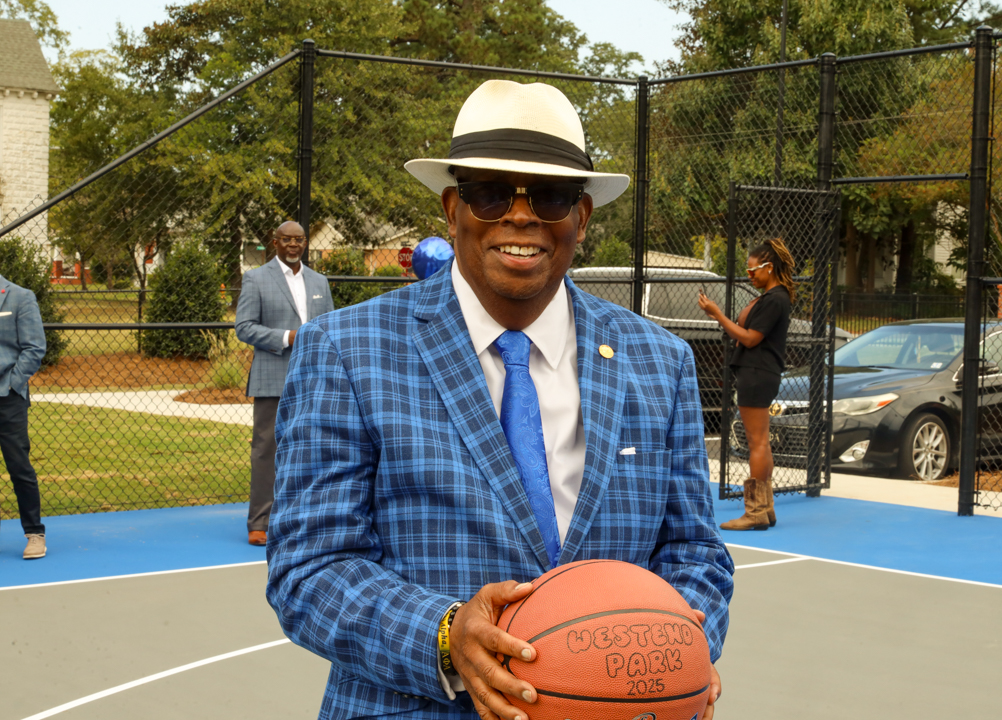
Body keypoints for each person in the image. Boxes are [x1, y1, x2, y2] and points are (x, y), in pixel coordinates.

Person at [266, 79, 734, 720]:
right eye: (490, 193)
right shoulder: (347, 350)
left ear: (582, 216)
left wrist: (678, 648)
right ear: (453, 209)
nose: (521, 216)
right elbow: (309, 570)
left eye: (550, 195)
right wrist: (444, 635)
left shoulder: (661, 362)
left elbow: (695, 551)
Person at [234, 221, 333, 546]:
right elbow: (244, 327)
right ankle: (260, 522)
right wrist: (286, 337)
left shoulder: (319, 281)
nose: (294, 245)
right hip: (272, 378)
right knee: (266, 450)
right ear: (274, 242)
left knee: (314, 449)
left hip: (313, 379)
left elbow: (329, 326)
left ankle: (305, 519)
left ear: (305, 243)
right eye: (287, 239)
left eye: (299, 240)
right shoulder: (256, 278)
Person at [697, 237, 796, 531]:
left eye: (754, 271)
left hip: (757, 371)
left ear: (769, 267)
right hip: (760, 371)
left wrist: (717, 315)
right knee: (761, 441)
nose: (749, 275)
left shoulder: (775, 298)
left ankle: (754, 512)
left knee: (757, 442)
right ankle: (765, 508)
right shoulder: (772, 296)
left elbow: (751, 338)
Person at [0, 273, 48, 559]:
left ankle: (34, 533)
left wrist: (12, 384)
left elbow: (34, 347)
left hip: (8, 399)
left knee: (20, 468)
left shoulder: (20, 297)